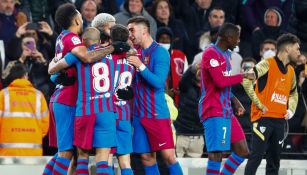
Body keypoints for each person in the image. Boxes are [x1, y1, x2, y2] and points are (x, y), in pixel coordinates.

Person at [42, 3, 129, 175]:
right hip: (71, 102)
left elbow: (55, 65)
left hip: (71, 102)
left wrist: (53, 74)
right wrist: (113, 47)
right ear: (75, 19)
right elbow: (87, 57)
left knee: (70, 153)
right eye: (81, 17)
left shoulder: (62, 37)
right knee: (68, 153)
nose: (83, 20)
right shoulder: (75, 40)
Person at [127, 16, 183, 175]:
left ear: (144, 30)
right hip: (138, 115)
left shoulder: (160, 52)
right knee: (146, 158)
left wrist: (140, 66)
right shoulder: (135, 52)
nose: (129, 34)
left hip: (157, 114)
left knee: (169, 157)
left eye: (132, 30)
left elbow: (159, 83)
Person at [243, 33, 300, 175]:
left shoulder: (292, 71)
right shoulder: (267, 64)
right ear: (287, 49)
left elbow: (294, 93)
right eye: (297, 49)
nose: (299, 53)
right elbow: (246, 80)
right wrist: (258, 103)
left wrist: (291, 110)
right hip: (263, 119)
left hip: (280, 122)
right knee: (256, 157)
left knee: (274, 162)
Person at [199, 23, 251, 175]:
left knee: (242, 151)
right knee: (216, 155)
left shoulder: (227, 55)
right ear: (228, 38)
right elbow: (220, 81)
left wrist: (235, 101)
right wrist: (244, 76)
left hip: (226, 110)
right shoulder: (210, 53)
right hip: (213, 109)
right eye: (237, 37)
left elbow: (224, 83)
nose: (239, 41)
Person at [0, 62, 49, 156]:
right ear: (25, 75)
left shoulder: (3, 95)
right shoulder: (38, 96)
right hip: (33, 153)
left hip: (7, 154)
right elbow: (45, 126)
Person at [174, 62, 204, 158]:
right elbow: (183, 80)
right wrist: (193, 68)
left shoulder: (208, 90)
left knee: (194, 170)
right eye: (199, 71)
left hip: (198, 137)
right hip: (181, 135)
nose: (200, 73)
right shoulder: (186, 86)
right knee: (177, 168)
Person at [155, 26, 188, 106]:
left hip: (178, 98)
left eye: (167, 38)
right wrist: (166, 93)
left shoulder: (180, 56)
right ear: (157, 40)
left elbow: (186, 76)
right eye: (162, 38)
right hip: (159, 99)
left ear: (171, 40)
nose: (165, 41)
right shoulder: (153, 56)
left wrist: (180, 89)